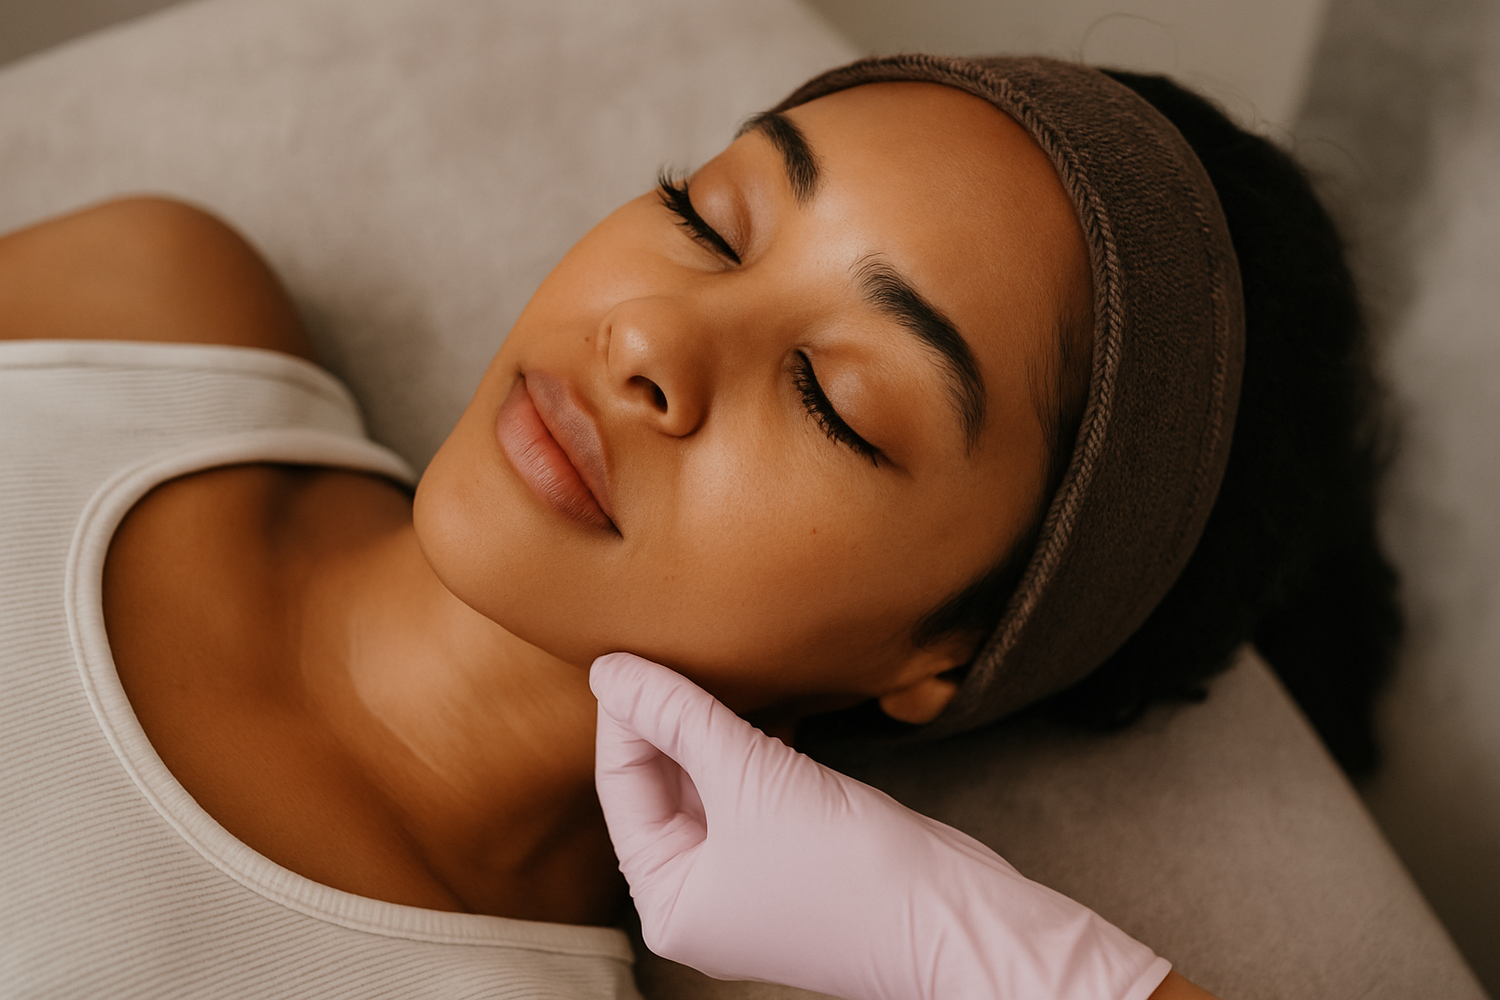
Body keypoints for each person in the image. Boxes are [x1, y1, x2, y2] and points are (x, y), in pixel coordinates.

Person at [0, 52, 1393, 999]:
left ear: (941, 653)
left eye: (837, 399)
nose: (652, 336)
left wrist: (1027, 966)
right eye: (710, 218)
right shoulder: (144, 305)